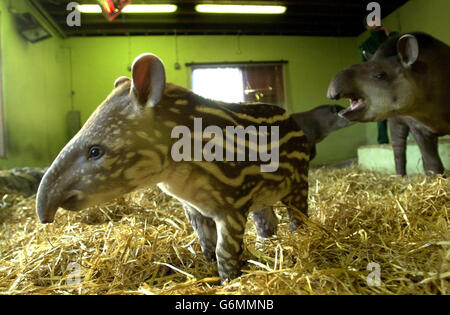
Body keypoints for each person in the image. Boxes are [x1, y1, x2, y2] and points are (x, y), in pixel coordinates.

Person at [359, 21, 398, 145]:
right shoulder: (366, 45)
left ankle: (410, 137)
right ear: (367, 26)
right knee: (381, 109)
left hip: (395, 77)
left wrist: (388, 34)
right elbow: (363, 66)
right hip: (378, 81)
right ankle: (382, 140)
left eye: (377, 19)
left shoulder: (393, 35)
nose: (375, 23)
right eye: (371, 21)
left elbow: (399, 50)